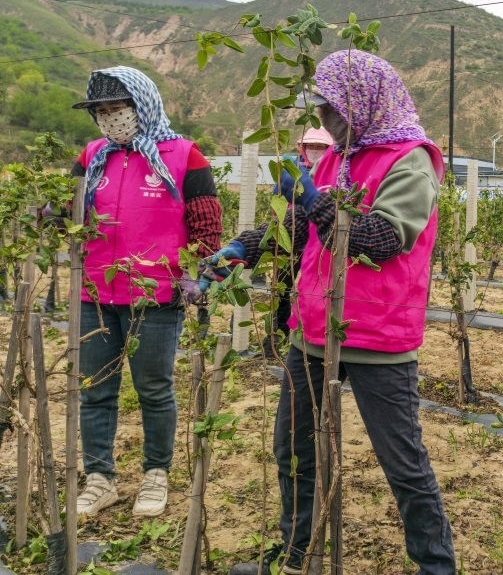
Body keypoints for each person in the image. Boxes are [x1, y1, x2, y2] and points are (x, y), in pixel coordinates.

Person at [220, 51, 455, 575]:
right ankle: (296, 553)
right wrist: (248, 246)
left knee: (402, 463)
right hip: (312, 329)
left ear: (364, 104)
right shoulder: (337, 158)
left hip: (378, 334)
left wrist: (314, 200)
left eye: (333, 109)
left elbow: (380, 239)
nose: (324, 121)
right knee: (293, 451)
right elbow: (304, 230)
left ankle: (436, 566)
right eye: (321, 109)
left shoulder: (410, 161)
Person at [69, 66, 222, 517]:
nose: (110, 119)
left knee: (154, 388)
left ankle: (156, 473)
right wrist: (50, 211)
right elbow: (69, 210)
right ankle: (100, 478)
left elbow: (207, 226)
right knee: (95, 388)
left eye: (118, 109)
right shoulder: (92, 155)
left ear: (143, 105)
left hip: (156, 295)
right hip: (94, 292)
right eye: (101, 112)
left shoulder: (183, 155)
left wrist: (201, 276)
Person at [259, 126, 334, 360]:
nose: (315, 150)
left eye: (321, 147)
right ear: (303, 147)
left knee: (318, 288)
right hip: (289, 235)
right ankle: (276, 336)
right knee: (282, 286)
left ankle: (311, 335)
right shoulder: (291, 166)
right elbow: (277, 198)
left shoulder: (332, 168)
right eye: (311, 146)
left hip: (320, 239)